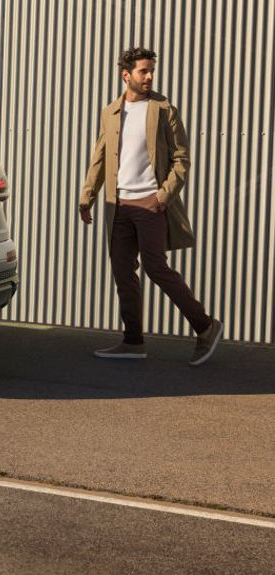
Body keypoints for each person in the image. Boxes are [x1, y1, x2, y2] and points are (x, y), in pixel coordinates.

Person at [79, 47, 222, 365]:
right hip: (118, 205)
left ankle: (206, 326)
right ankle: (133, 341)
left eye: (152, 70)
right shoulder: (111, 112)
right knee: (122, 272)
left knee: (156, 268)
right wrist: (87, 196)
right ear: (125, 74)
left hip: (150, 204)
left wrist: (164, 195)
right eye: (144, 71)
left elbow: (181, 158)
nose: (150, 76)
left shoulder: (163, 109)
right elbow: (100, 156)